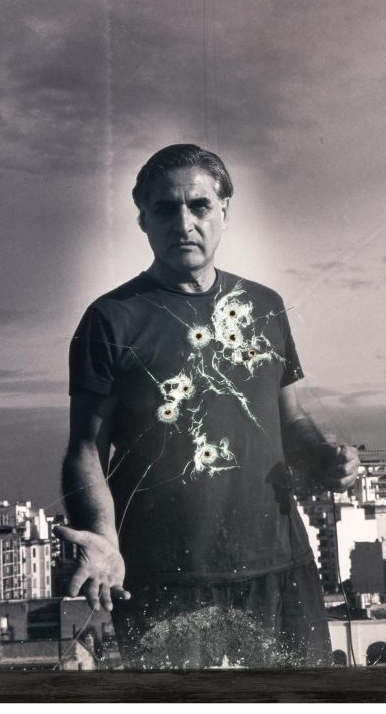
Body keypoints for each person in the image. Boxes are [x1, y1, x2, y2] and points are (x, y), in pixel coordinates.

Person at [55, 144, 359, 668]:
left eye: (199, 206)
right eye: (164, 209)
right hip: (164, 579)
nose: (184, 223)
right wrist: (103, 538)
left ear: (224, 211)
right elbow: (85, 450)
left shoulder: (265, 306)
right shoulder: (110, 319)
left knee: (302, 705)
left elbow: (290, 420)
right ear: (143, 220)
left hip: (281, 568)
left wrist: (326, 458)